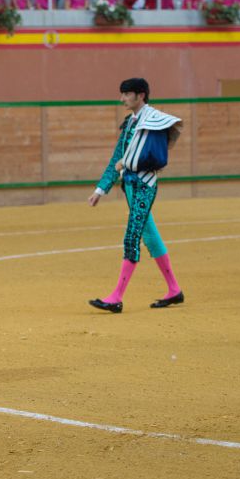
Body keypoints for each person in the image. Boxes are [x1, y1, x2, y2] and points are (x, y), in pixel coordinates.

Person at [88, 78, 185, 314]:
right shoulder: (131, 122)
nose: (122, 99)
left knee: (132, 235)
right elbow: (117, 158)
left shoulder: (153, 120)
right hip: (130, 186)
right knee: (150, 236)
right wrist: (101, 189)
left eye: (126, 94)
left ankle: (116, 297)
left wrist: (126, 163)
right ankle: (174, 290)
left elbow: (154, 158)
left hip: (144, 185)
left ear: (140, 95)